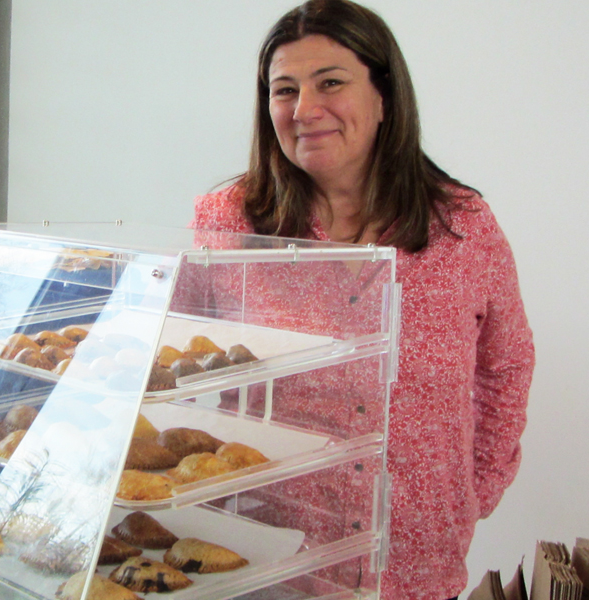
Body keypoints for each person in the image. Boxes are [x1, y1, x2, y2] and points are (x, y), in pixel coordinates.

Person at [187, 1, 536, 598]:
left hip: (414, 551)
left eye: (331, 83)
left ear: (384, 98)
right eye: (284, 90)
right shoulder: (227, 221)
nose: (304, 110)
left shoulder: (463, 226)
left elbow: (507, 365)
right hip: (269, 547)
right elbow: (173, 361)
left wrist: (474, 489)